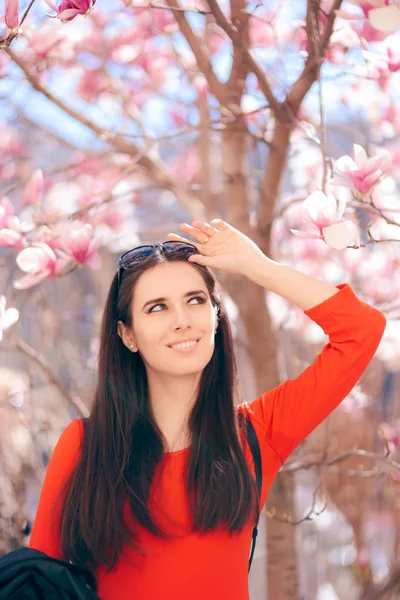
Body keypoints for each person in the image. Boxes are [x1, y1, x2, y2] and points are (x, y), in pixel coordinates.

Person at [28, 219, 386, 600]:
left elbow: (360, 330)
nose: (182, 321)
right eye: (157, 308)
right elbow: (32, 584)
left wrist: (257, 266)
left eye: (195, 300)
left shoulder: (255, 434)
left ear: (216, 317)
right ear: (127, 335)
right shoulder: (85, 445)